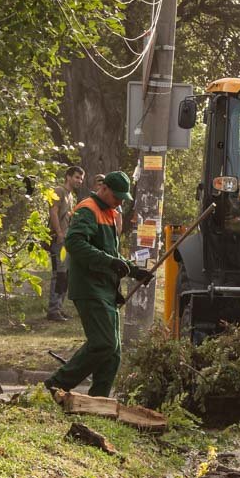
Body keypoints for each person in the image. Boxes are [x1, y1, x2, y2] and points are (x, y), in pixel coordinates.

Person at [44, 171, 152, 399]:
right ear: (104, 189)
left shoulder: (110, 212)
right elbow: (74, 243)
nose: (120, 202)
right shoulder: (88, 209)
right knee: (103, 343)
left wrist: (134, 270)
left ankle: (98, 401)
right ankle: (56, 385)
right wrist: (109, 262)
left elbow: (110, 253)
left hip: (106, 289)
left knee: (113, 353)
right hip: (89, 288)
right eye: (117, 197)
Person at [47, 165, 85, 321]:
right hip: (58, 239)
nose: (79, 181)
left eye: (81, 178)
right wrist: (60, 233)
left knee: (65, 274)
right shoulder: (59, 191)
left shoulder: (70, 195)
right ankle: (53, 310)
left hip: (67, 240)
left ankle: (58, 308)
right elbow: (53, 212)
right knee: (59, 274)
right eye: (77, 177)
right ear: (68, 177)